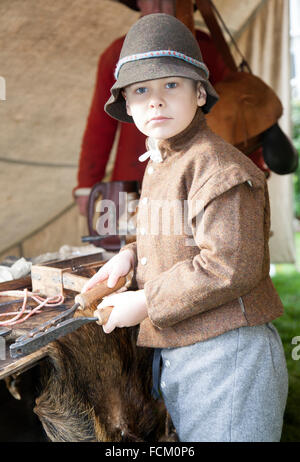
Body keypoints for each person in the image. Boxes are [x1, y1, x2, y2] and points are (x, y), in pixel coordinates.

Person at [82, 14, 288, 442]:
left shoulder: (219, 167)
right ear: (129, 105)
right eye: (141, 90)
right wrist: (130, 254)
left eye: (171, 85)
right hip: (186, 351)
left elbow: (229, 266)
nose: (155, 100)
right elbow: (176, 232)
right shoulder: (164, 162)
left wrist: (145, 303)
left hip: (230, 356)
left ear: (198, 93)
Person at [73, 0, 230, 215]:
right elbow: (100, 126)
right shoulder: (117, 54)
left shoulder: (206, 49)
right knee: (124, 242)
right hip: (130, 181)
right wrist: (87, 184)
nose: (159, 4)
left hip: (196, 174)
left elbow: (232, 115)